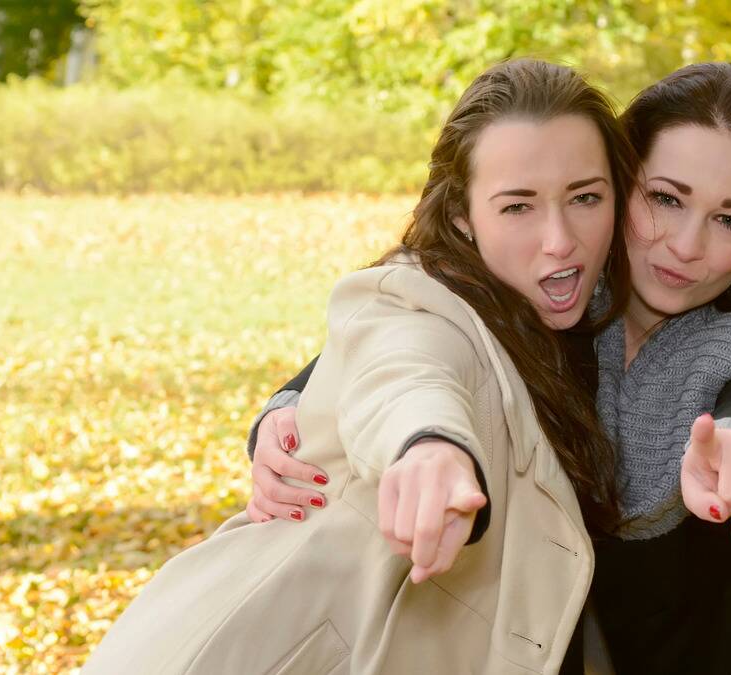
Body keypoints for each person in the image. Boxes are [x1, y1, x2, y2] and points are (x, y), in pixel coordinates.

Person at [247, 63, 731, 673]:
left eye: (730, 219)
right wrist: (290, 411)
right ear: (616, 182)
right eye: (665, 198)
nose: (687, 246)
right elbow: (408, 333)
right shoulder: (554, 280)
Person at [81, 58, 639, 675]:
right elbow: (404, 369)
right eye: (517, 207)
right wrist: (430, 449)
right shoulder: (413, 301)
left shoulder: (608, 319)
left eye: (585, 197)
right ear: (462, 218)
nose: (559, 238)